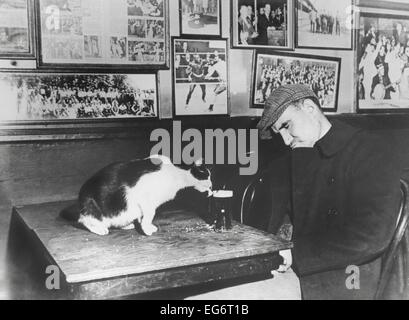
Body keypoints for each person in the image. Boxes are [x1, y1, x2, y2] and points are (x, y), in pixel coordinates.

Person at [255, 84, 402, 299]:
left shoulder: (370, 149)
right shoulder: (298, 156)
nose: (285, 140)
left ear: (310, 108)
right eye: (280, 134)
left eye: (286, 126)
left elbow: (371, 236)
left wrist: (294, 254)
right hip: (301, 268)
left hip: (350, 278)